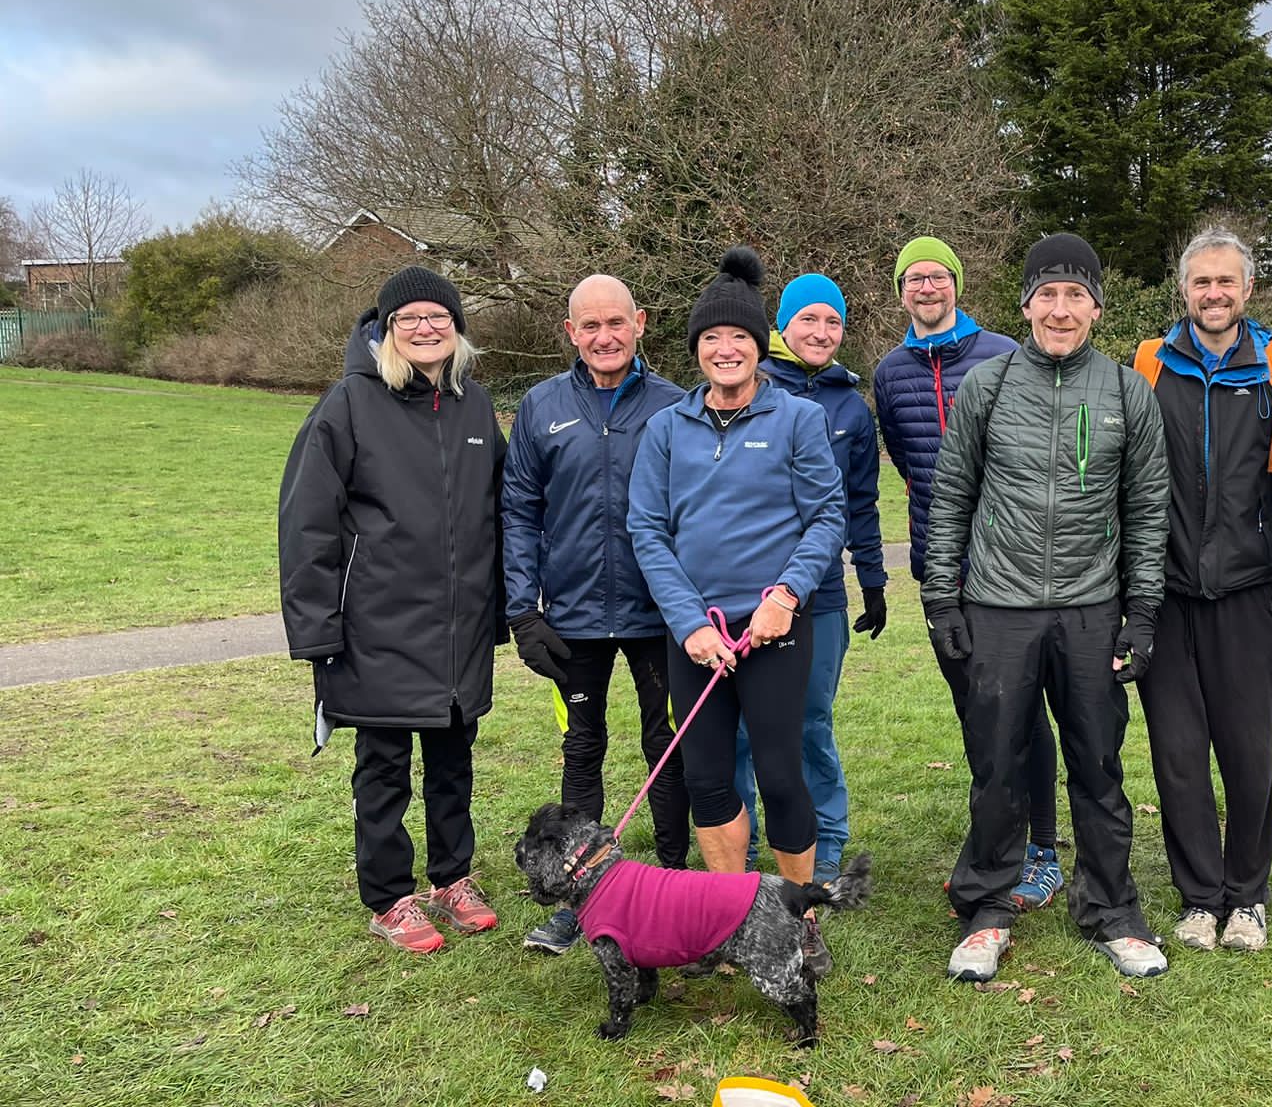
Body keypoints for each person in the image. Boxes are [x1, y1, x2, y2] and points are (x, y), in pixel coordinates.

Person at [923, 232, 1171, 982]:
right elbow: (951, 497)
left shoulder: (1129, 391)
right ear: (1025, 303)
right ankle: (988, 909)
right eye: (1047, 295)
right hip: (998, 606)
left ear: (1097, 306)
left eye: (1075, 295)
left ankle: (1112, 909)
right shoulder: (988, 387)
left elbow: (1149, 509)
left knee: (1097, 763)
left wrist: (1144, 611)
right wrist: (941, 597)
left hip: (1093, 608)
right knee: (998, 763)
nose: (1060, 310)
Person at [628, 246, 847, 971]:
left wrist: (786, 596)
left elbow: (825, 517)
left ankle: (797, 921)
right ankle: (732, 920)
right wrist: (688, 623)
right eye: (713, 339)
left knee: (782, 773)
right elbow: (647, 530)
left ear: (760, 348)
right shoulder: (666, 428)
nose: (727, 350)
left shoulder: (797, 418)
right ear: (696, 349)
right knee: (708, 778)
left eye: (740, 339)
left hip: (773, 633)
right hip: (696, 638)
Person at [278, 265, 506, 953]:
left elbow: (496, 513)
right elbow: (306, 524)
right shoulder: (347, 405)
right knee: (383, 765)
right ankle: (388, 896)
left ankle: (452, 876)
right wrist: (317, 630)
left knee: (452, 758)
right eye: (409, 318)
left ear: (457, 328)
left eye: (438, 316)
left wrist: (498, 610)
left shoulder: (473, 405)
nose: (426, 328)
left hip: (457, 627)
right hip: (374, 624)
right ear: (387, 330)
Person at [871, 236, 1066, 909]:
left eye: (938, 277)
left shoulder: (1006, 354)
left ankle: (1043, 848)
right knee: (977, 717)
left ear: (957, 284)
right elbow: (904, 458)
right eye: (914, 279)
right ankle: (995, 839)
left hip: (1012, 571)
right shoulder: (890, 371)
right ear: (901, 292)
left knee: (1027, 712)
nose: (927, 288)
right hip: (939, 572)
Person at [502, 274, 690, 954]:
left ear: (639, 322)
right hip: (572, 617)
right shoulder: (540, 406)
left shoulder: (674, 403)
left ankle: (672, 884)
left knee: (666, 750)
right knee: (582, 750)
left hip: (657, 613)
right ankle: (578, 898)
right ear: (570, 332)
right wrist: (524, 611)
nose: (605, 337)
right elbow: (519, 511)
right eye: (590, 326)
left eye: (617, 322)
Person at [1130, 227, 1272, 954]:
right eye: (1201, 282)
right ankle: (1200, 897)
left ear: (1248, 289)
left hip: (1247, 589)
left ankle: (1247, 896)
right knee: (1176, 751)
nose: (1214, 293)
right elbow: (1126, 474)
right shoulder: (1147, 364)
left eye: (1226, 281)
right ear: (1184, 288)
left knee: (1250, 750)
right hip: (1165, 591)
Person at [730, 272, 888, 883]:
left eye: (833, 323)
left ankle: (824, 840)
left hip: (819, 594)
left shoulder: (851, 404)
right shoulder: (751, 385)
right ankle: (739, 839)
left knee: (811, 720)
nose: (821, 333)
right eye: (809, 321)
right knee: (743, 725)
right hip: (745, 593)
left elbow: (862, 502)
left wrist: (871, 579)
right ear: (783, 326)